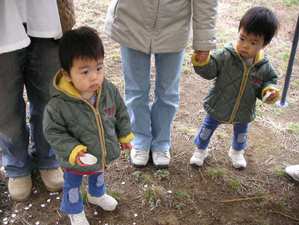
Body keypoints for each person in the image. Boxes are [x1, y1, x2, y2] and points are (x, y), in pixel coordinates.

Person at [104, 0, 218, 169]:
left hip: (175, 26)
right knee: (136, 89)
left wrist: (203, 42)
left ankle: (161, 141)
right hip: (132, 22)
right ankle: (140, 139)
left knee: (168, 92)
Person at [43, 26, 134, 225]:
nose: (94, 77)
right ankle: (74, 209)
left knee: (98, 173)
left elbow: (120, 112)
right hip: (76, 159)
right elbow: (53, 132)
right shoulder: (58, 105)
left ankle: (96, 195)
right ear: (67, 74)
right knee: (73, 183)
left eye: (99, 68)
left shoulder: (107, 90)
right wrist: (74, 151)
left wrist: (124, 135)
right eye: (85, 71)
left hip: (101, 152)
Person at [0, 0, 75, 201]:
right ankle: (17, 165)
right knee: (4, 108)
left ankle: (47, 158)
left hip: (46, 15)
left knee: (48, 100)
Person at [189, 7, 280, 170]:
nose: (245, 46)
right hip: (219, 104)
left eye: (253, 43)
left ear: (264, 44)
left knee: (241, 134)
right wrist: (202, 61)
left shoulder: (263, 66)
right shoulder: (226, 55)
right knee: (207, 129)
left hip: (243, 110)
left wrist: (269, 92)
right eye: (242, 38)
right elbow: (210, 70)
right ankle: (200, 149)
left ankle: (237, 152)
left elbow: (269, 82)